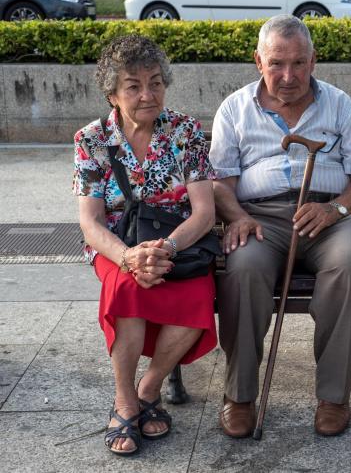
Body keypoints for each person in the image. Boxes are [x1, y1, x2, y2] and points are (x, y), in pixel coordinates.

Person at [209, 14, 351, 438]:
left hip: (331, 219)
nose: (289, 76)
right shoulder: (234, 109)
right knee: (243, 269)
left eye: (299, 63)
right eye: (277, 64)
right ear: (258, 62)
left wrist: (335, 209)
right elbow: (219, 184)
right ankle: (240, 395)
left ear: (313, 61)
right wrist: (237, 216)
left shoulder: (340, 105)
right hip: (260, 220)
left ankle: (334, 397)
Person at [73, 35, 218, 456]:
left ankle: (148, 388)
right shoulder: (91, 140)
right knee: (127, 288)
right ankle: (123, 401)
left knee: (197, 297)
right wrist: (130, 257)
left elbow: (205, 213)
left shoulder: (184, 131)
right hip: (118, 246)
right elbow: (91, 223)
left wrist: (166, 249)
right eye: (133, 85)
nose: (147, 94)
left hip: (181, 244)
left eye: (155, 82)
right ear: (113, 93)